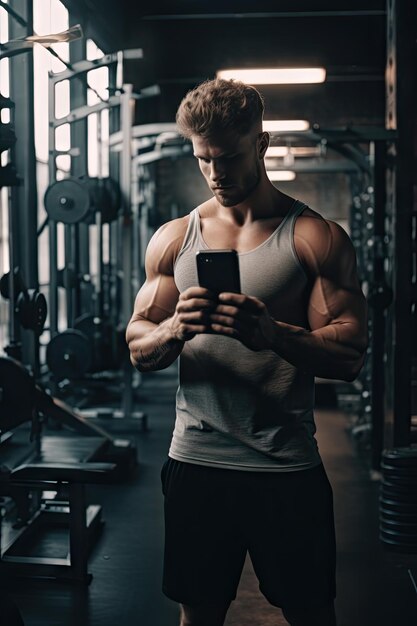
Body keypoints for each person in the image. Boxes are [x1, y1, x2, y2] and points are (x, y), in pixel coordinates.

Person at [126, 78, 368, 626]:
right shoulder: (173, 239)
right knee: (199, 613)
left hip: (286, 465)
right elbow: (138, 340)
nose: (217, 174)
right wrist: (172, 333)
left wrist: (273, 334)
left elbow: (351, 354)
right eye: (203, 160)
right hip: (196, 463)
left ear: (260, 145)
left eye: (230, 157)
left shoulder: (313, 236)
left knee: (311, 612)